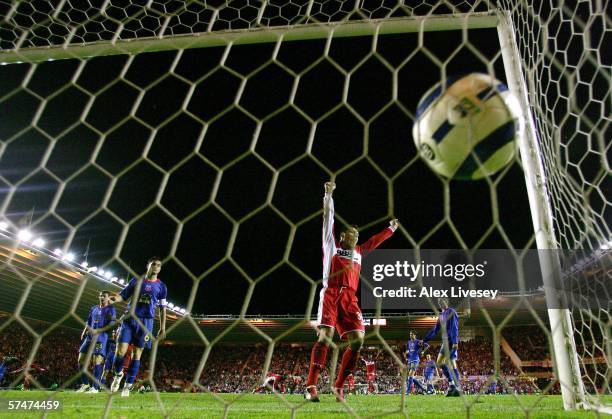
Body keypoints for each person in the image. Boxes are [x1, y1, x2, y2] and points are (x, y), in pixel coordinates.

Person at [305, 181, 399, 403]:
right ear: (343, 236)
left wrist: (391, 228)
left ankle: (338, 387)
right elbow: (328, 219)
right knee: (325, 337)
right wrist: (328, 195)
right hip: (331, 294)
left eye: (357, 235)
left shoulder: (359, 251)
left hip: (350, 299)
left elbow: (375, 241)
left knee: (358, 340)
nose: (356, 237)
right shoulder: (331, 245)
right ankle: (311, 386)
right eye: (352, 234)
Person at [109, 257, 167, 397]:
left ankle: (127, 387)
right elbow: (123, 296)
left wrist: (162, 327)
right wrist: (113, 299)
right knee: (119, 352)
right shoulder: (136, 281)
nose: (156, 267)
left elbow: (162, 308)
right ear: (148, 265)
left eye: (159, 265)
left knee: (137, 354)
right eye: (154, 264)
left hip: (146, 322)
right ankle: (118, 375)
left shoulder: (162, 286)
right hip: (130, 319)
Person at [76, 290, 117, 393]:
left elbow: (112, 324)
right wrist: (84, 331)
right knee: (81, 359)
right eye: (100, 296)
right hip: (89, 337)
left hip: (101, 337)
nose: (101, 297)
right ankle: (85, 384)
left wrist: (100, 330)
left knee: (97, 361)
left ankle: (95, 387)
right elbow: (89, 321)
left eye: (104, 296)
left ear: (108, 298)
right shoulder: (94, 308)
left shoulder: (111, 309)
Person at [423, 297, 461, 397]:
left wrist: (455, 342)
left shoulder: (451, 311)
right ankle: (452, 386)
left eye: (442, 301)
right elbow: (435, 330)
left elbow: (455, 327)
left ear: (446, 302)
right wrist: (424, 340)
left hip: (451, 341)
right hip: (445, 341)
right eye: (439, 302)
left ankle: (457, 388)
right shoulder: (441, 315)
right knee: (440, 362)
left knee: (452, 364)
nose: (441, 303)